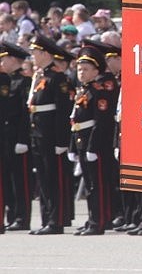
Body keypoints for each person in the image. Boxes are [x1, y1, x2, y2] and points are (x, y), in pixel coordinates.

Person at [70, 45, 118, 235]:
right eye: (79, 69)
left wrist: (92, 147)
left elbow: (100, 121)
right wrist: (74, 146)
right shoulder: (84, 90)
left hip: (94, 144)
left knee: (97, 185)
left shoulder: (98, 91)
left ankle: (99, 221)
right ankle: (92, 219)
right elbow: (75, 119)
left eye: (86, 69)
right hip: (82, 139)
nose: (81, 73)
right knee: (90, 184)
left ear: (96, 71)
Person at [28, 34, 72, 234]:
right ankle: (47, 218)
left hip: (51, 135)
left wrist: (62, 140)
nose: (32, 56)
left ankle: (57, 220)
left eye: (35, 52)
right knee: (44, 178)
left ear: (45, 53)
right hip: (38, 132)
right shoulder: (41, 76)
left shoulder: (57, 77)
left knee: (54, 178)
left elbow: (62, 111)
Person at [0, 41, 31, 231]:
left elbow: (24, 114)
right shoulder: (6, 79)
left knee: (20, 179)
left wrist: (22, 139)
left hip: (17, 135)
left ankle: (22, 216)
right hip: (6, 135)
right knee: (7, 178)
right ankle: (12, 213)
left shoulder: (23, 81)